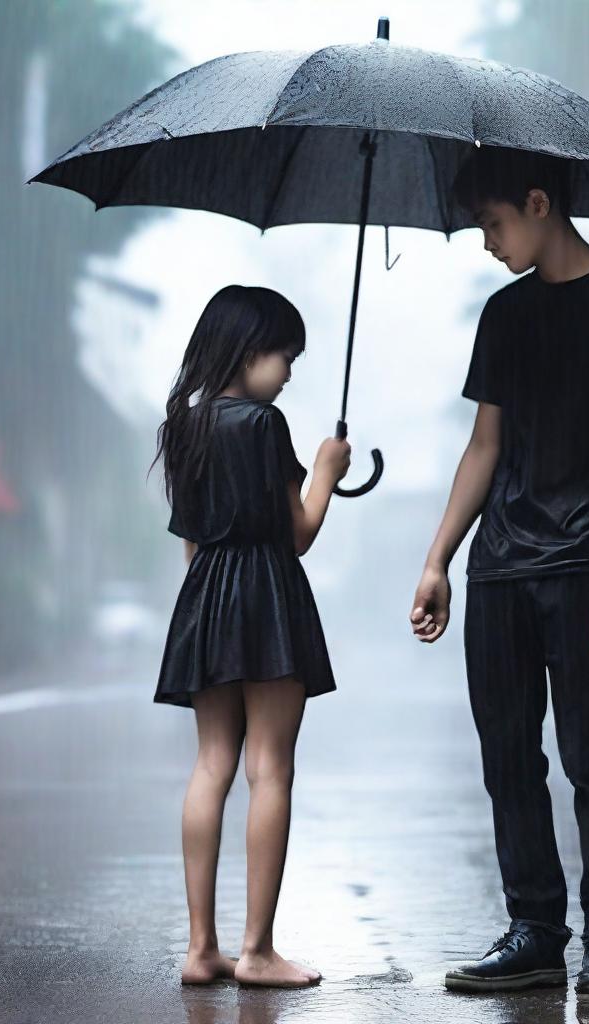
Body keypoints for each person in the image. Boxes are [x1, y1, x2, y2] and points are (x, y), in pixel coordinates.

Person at [410, 148, 589, 1003]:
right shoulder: (505, 316)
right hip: (499, 571)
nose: (487, 242)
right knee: (507, 760)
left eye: (492, 225)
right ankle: (534, 931)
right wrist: (437, 558)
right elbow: (484, 447)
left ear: (537, 202)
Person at [151, 284, 351, 988]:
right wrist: (325, 473)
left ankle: (201, 948)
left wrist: (209, 600)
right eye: (285, 356)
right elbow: (296, 534)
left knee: (212, 766)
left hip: (205, 598)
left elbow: (190, 542)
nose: (291, 371)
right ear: (248, 350)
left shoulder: (185, 425)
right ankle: (258, 951)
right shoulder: (265, 426)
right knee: (270, 767)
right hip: (266, 597)